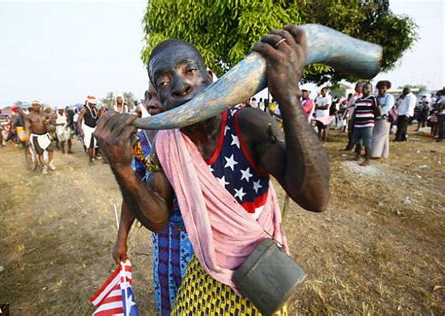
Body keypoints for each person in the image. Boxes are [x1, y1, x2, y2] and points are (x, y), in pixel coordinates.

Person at [96, 25, 329, 314]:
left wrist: (289, 97)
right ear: (160, 98)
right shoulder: (168, 144)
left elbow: (314, 198)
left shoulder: (248, 124)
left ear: (209, 77)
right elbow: (158, 220)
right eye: (165, 82)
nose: (181, 85)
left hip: (259, 272)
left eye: (189, 70)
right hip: (206, 269)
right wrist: (122, 168)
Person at [112, 82, 194, 315]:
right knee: (168, 298)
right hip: (163, 239)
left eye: (158, 95)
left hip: (199, 241)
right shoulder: (142, 140)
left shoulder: (196, 133)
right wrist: (122, 237)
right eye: (148, 96)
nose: (151, 103)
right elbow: (132, 190)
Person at [352, 83, 380, 166]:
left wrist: (371, 119)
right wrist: (352, 122)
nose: (365, 89)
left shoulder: (372, 99)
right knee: (357, 142)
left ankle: (367, 160)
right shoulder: (358, 100)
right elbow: (355, 112)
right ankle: (357, 155)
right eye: (364, 88)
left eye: (367, 88)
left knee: (367, 143)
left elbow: (377, 111)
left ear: (371, 90)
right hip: (357, 124)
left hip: (367, 125)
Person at [25, 100, 56, 174]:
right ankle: (44, 167)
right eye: (34, 105)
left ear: (40, 105)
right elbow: (27, 128)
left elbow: (53, 118)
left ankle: (50, 163)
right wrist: (27, 139)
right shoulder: (29, 116)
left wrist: (49, 120)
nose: (35, 106)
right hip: (36, 137)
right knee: (40, 153)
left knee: (51, 150)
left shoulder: (44, 114)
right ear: (32, 106)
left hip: (45, 136)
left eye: (37, 105)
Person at [371, 80, 394, 159]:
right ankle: (382, 153)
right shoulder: (376, 97)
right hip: (376, 118)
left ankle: (376, 154)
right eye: (380, 88)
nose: (381, 90)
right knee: (381, 136)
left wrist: (379, 112)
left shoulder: (389, 97)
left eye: (383, 88)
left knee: (379, 136)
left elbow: (387, 107)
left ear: (386, 89)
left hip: (384, 119)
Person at [78, 96, 100, 164]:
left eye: (95, 104)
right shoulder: (84, 109)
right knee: (90, 145)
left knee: (94, 144)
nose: (93, 105)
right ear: (89, 103)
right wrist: (81, 131)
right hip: (87, 128)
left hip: (95, 128)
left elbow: (97, 118)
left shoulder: (95, 109)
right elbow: (79, 120)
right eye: (92, 104)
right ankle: (90, 160)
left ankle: (93, 156)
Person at [343, 82, 364, 151]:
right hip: (351, 115)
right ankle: (350, 146)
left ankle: (358, 147)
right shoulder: (353, 96)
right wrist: (345, 114)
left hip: (359, 116)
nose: (356, 88)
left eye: (358, 87)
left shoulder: (363, 96)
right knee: (350, 131)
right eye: (356, 87)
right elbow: (348, 105)